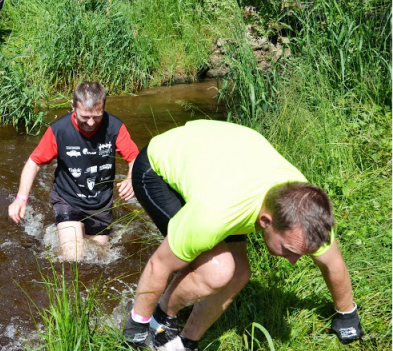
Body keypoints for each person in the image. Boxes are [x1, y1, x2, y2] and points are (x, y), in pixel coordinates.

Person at [122, 120, 364, 350]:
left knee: (239, 273)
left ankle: (187, 342)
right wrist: (137, 324)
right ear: (265, 221)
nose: (293, 261)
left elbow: (331, 262)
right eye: (289, 251)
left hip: (224, 164)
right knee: (217, 270)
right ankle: (160, 318)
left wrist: (347, 313)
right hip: (159, 167)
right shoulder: (216, 212)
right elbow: (159, 264)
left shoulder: (306, 211)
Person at [8, 81, 139, 261]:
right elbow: (34, 162)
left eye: (97, 116)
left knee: (99, 258)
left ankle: (63, 241)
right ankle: (63, 239)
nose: (91, 123)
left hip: (100, 203)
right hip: (68, 198)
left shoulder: (115, 127)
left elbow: (135, 158)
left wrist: (131, 178)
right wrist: (21, 198)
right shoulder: (59, 130)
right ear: (73, 106)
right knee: (74, 256)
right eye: (84, 117)